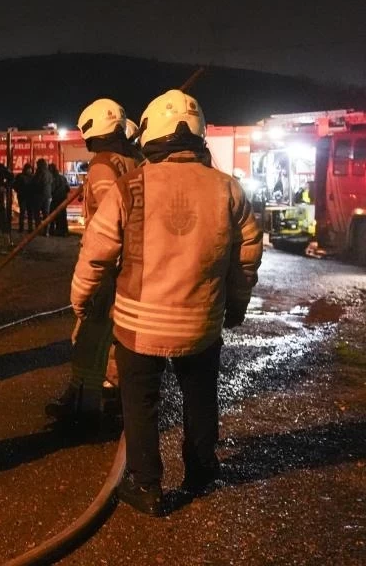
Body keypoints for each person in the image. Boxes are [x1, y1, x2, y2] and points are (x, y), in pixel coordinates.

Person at [70, 90, 262, 515]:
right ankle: (200, 470)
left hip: (139, 325)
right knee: (200, 397)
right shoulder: (228, 188)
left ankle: (148, 487)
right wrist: (237, 302)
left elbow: (95, 253)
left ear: (153, 131)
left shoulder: (130, 187)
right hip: (202, 321)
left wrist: (82, 302)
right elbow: (248, 250)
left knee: (140, 404)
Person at [46, 98, 144, 423]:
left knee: (88, 336)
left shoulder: (103, 163)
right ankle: (111, 395)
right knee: (115, 335)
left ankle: (83, 409)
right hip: (132, 264)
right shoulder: (136, 160)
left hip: (108, 265)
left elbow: (108, 219)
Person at [13, 162, 37, 232]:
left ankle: (29, 228)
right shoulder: (21, 176)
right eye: (29, 169)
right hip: (23, 197)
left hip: (28, 197)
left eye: (30, 169)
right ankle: (22, 228)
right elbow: (15, 185)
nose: (30, 170)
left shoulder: (32, 177)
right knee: (23, 213)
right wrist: (19, 191)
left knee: (29, 213)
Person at [48, 163, 71, 236]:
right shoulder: (63, 177)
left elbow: (52, 189)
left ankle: (52, 231)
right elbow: (68, 188)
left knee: (52, 215)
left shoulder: (53, 179)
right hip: (63, 199)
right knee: (63, 216)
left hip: (56, 199)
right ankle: (64, 231)